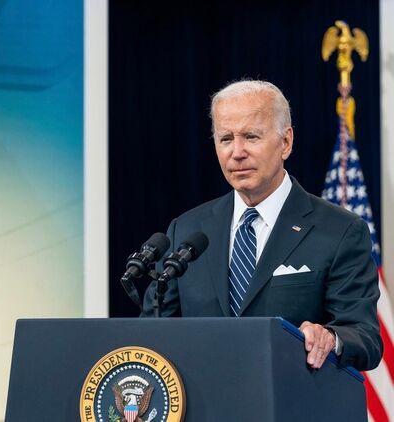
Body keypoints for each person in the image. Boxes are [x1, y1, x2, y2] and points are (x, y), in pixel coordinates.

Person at [142, 80, 382, 371]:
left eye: (251, 136)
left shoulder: (340, 230)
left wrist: (330, 338)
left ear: (286, 142)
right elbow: (150, 334)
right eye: (225, 139)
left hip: (290, 394)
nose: (237, 152)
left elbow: (364, 335)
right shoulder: (187, 230)